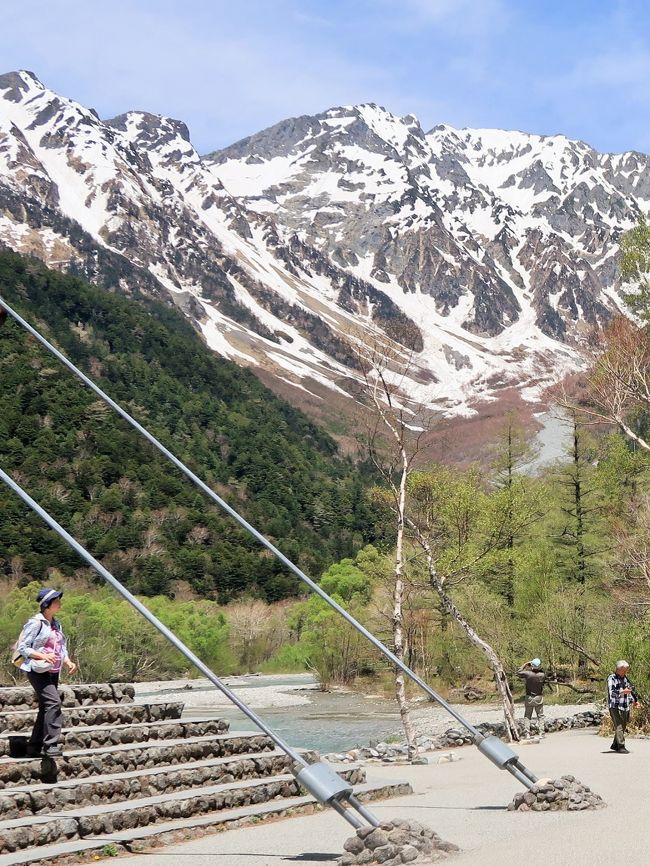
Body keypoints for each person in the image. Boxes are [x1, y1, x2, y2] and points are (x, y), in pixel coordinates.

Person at [17, 588, 77, 757]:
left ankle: (34, 746)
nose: (59, 604)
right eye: (56, 601)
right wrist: (42, 655)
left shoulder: (56, 624)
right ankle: (50, 745)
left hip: (53, 671)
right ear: (47, 605)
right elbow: (23, 648)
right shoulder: (36, 623)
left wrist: (67, 661)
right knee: (53, 703)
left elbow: (61, 648)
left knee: (46, 707)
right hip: (38, 670)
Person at [607, 660, 640, 754]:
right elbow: (611, 693)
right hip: (614, 706)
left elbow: (631, 691)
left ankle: (615, 744)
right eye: (624, 670)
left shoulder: (625, 678)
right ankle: (621, 746)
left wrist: (635, 701)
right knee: (619, 726)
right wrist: (622, 692)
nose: (625, 672)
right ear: (618, 669)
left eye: (626, 670)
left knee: (623, 725)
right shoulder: (611, 678)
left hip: (625, 705)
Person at [516, 657, 546, 738]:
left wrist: (526, 664)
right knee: (540, 716)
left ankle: (527, 733)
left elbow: (518, 672)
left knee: (527, 716)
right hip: (539, 697)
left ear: (532, 666)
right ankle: (541, 733)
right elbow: (542, 672)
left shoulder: (527, 674)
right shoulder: (542, 675)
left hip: (529, 697)